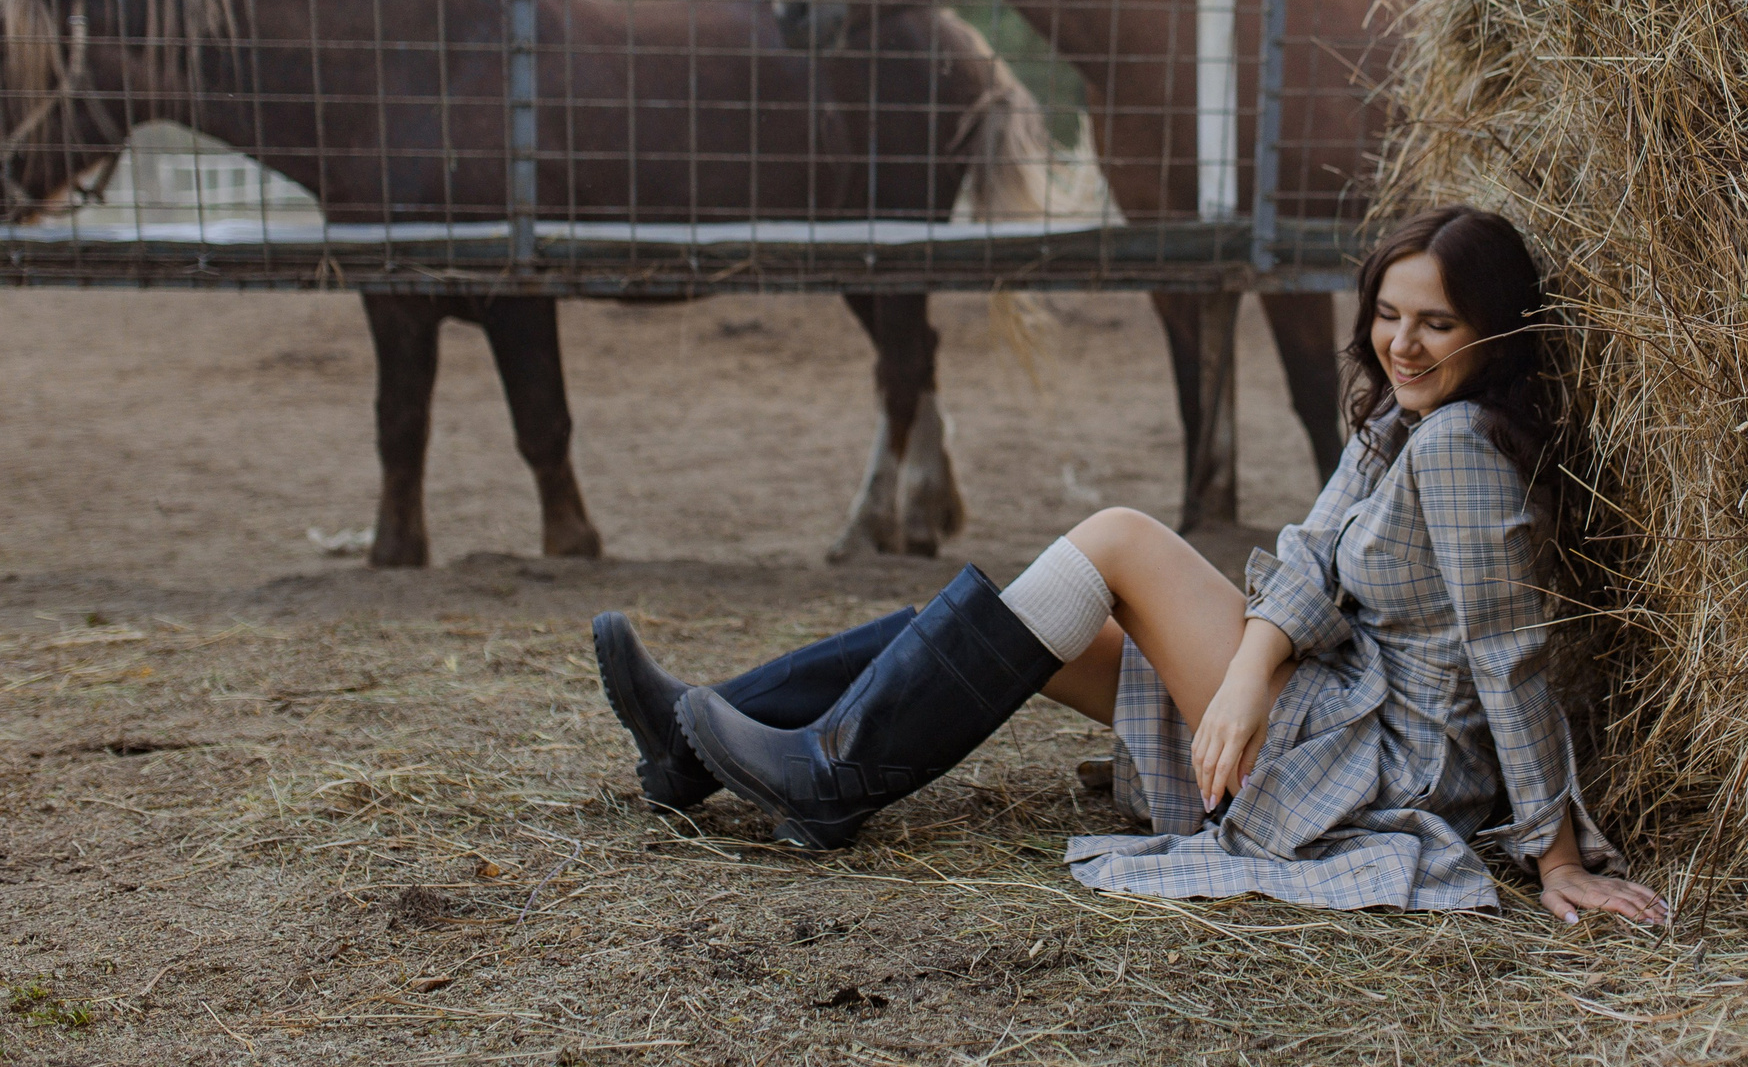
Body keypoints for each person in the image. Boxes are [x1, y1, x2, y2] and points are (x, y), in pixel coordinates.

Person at [591, 205, 1669, 926]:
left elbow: (1508, 651)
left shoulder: (1461, 447)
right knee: (1007, 625)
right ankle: (697, 734)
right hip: (1329, 689)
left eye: (1438, 322)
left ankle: (830, 778)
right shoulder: (1399, 419)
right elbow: (1308, 546)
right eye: (1388, 315)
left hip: (1389, 746)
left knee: (1115, 537)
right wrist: (1248, 666)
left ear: (1497, 330)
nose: (1403, 343)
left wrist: (1556, 852)